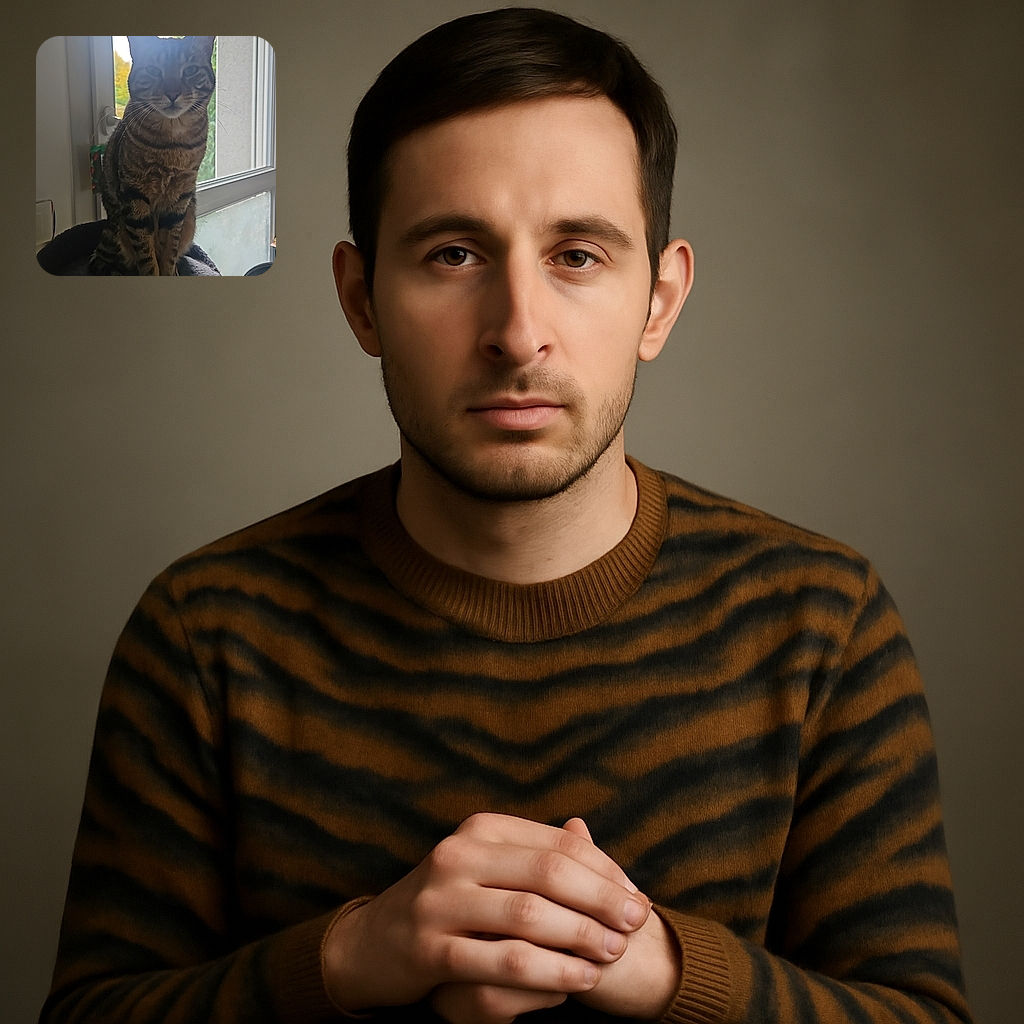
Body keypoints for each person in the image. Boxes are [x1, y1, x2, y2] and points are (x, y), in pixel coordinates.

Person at [40, 8, 972, 1024]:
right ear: (361, 300)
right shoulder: (204, 631)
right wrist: (348, 955)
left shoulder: (822, 621)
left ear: (658, 302)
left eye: (577, 255)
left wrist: (656, 966)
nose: (518, 333)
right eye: (452, 254)